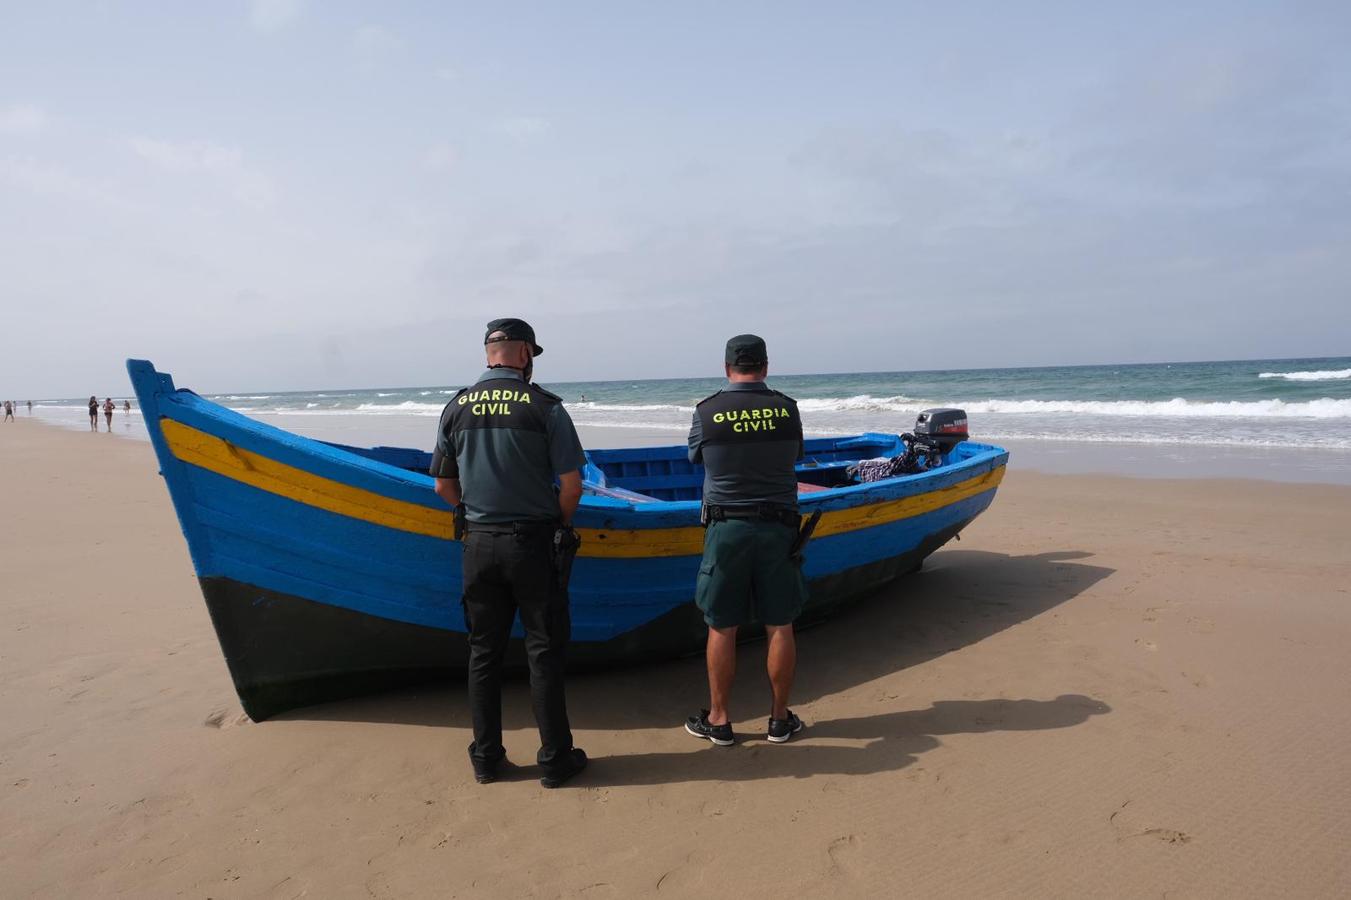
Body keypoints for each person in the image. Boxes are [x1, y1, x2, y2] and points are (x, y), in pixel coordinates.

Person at [430, 318, 589, 788]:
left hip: (478, 543)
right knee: (543, 651)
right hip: (533, 542)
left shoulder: (456, 407)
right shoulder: (545, 407)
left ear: (488, 354)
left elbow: (443, 485)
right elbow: (573, 487)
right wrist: (555, 523)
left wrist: (477, 512)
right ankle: (555, 759)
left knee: (483, 652)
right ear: (524, 355)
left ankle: (486, 758)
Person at [684, 334, 809, 746]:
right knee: (780, 624)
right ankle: (779, 719)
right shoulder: (787, 409)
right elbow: (793, 457)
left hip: (726, 529)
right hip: (779, 527)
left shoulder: (707, 411)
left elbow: (696, 458)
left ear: (726, 368)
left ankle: (719, 720)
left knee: (722, 626)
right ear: (766, 366)